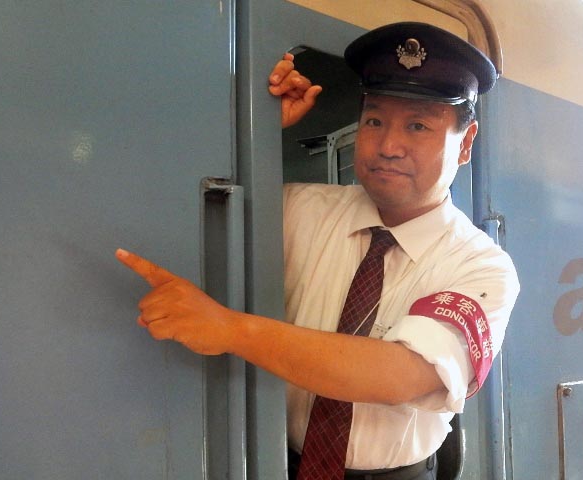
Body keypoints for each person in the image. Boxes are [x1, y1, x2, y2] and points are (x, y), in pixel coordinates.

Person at [116, 22, 519, 480]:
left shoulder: (483, 266)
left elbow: (401, 374)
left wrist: (228, 329)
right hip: (279, 466)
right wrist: (255, 131)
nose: (388, 146)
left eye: (418, 125)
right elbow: (186, 203)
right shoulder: (297, 209)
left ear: (465, 143)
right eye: (374, 121)